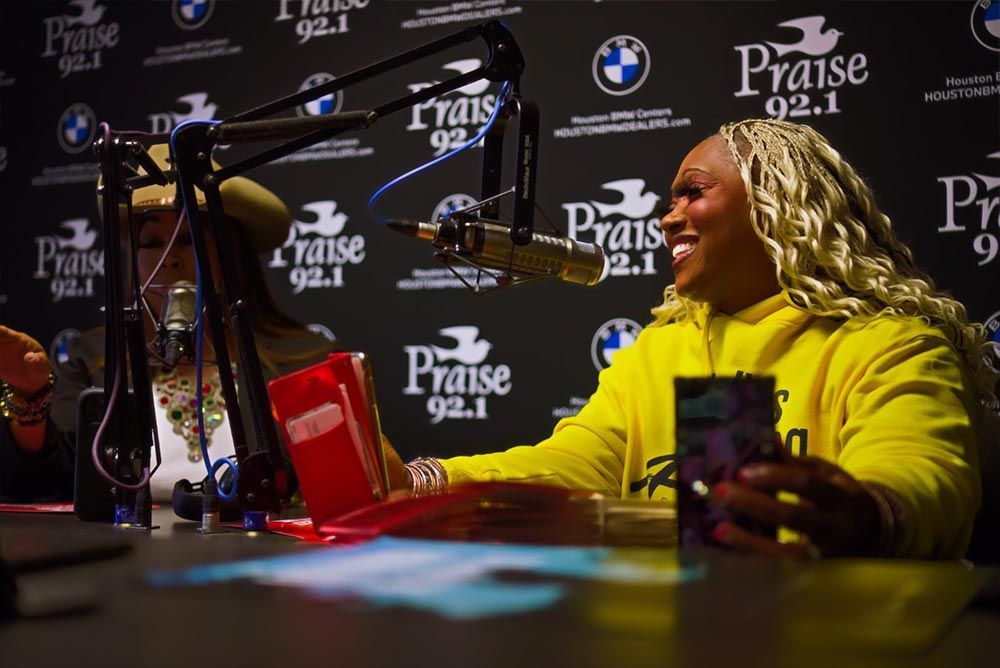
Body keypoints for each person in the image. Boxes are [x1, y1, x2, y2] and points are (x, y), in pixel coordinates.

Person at [385, 119, 999, 560]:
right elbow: (575, 462)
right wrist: (422, 482)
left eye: (693, 192)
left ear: (775, 207)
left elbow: (925, 470)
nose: (667, 216)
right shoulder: (661, 346)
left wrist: (868, 514)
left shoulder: (888, 344)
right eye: (669, 198)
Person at [0, 144, 334, 502]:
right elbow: (46, 484)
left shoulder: (305, 361)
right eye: (151, 243)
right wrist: (30, 399)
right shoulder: (95, 359)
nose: (169, 259)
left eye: (189, 240)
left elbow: (335, 485)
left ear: (230, 253)